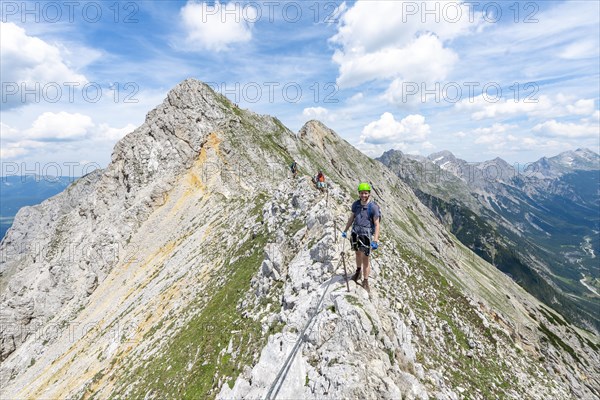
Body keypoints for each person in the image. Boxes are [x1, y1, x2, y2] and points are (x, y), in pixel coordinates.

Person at [341, 182, 380, 294]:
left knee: (366, 258)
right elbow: (352, 217)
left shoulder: (373, 207)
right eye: (362, 193)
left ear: (369, 194)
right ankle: (358, 272)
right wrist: (345, 230)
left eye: (365, 193)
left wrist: (375, 240)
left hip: (366, 235)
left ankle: (366, 281)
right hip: (355, 232)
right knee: (357, 253)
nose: (363, 195)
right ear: (359, 193)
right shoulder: (356, 205)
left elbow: (377, 224)